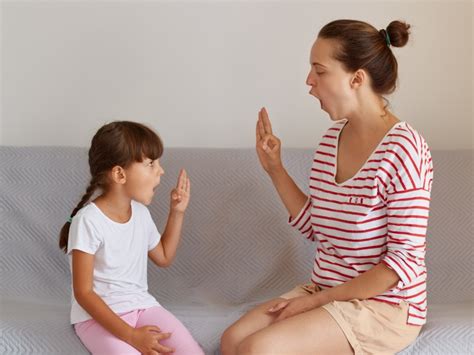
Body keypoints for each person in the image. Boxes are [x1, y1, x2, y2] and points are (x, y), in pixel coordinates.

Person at [221, 19, 433, 355]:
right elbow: (316, 228)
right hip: (328, 289)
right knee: (232, 341)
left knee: (257, 349)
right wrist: (275, 169)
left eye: (319, 71)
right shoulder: (331, 140)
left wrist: (318, 302)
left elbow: (401, 265)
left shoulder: (404, 149)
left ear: (356, 78)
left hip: (384, 306)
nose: (309, 81)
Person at [59, 121, 203, 354]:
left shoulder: (141, 214)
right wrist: (131, 336)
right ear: (119, 174)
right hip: (96, 319)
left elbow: (164, 257)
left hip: (143, 308)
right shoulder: (88, 221)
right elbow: (83, 293)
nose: (161, 171)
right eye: (150, 164)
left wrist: (177, 212)